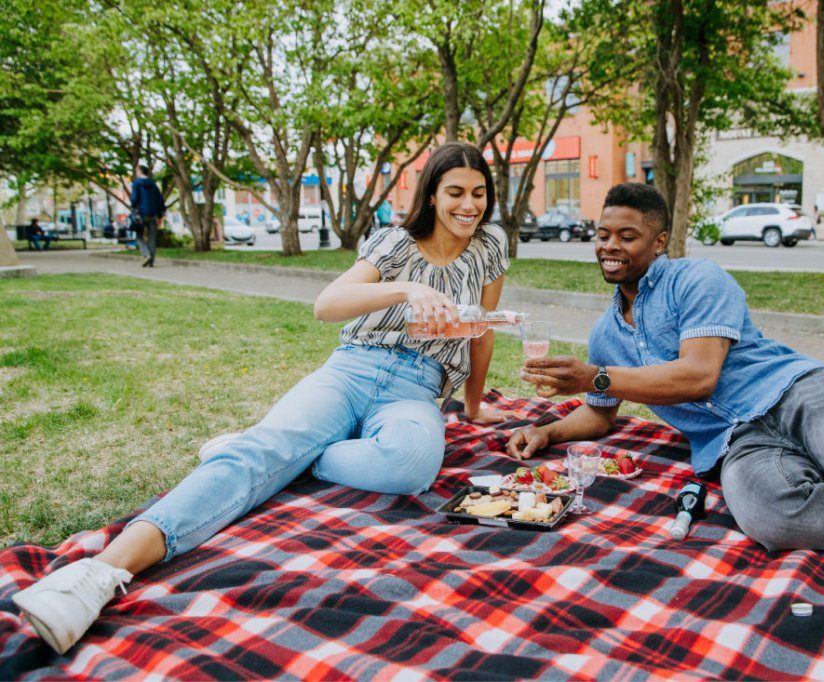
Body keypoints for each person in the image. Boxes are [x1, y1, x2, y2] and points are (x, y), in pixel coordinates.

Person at [13, 141, 515, 655]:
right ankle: (99, 573)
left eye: (479, 193)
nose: (469, 205)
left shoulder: (489, 247)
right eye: (455, 192)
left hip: (419, 388)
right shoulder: (395, 243)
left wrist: (471, 406)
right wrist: (405, 289)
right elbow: (327, 304)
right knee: (259, 454)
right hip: (354, 367)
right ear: (432, 194)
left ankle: (293, 456)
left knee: (412, 465)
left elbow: (483, 330)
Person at [507, 182, 824, 556]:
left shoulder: (697, 279)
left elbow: (698, 376)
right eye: (603, 234)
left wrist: (592, 376)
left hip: (794, 394)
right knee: (773, 519)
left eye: (627, 236)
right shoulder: (605, 335)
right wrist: (546, 430)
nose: (610, 246)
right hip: (736, 442)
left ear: (659, 242)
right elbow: (600, 417)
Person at [130, 165, 166, 267]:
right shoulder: (153, 184)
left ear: (140, 171)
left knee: (139, 236)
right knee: (152, 237)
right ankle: (151, 261)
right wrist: (159, 214)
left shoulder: (137, 183)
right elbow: (159, 200)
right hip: (153, 214)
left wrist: (133, 207)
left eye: (136, 171)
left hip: (141, 214)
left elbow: (134, 199)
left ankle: (146, 254)